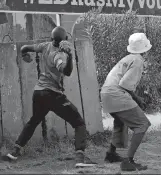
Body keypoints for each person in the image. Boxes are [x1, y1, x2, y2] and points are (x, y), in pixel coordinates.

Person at [5, 26, 97, 168]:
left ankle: (15, 151)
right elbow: (66, 71)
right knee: (79, 123)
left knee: (34, 121)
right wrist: (70, 56)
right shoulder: (59, 55)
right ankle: (80, 159)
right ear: (65, 40)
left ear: (51, 38)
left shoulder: (44, 46)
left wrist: (25, 56)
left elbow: (24, 47)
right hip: (52, 94)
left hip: (39, 93)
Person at [100, 32, 152, 171]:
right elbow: (125, 84)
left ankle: (111, 154)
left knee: (121, 121)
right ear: (145, 49)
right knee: (142, 124)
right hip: (117, 94)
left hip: (106, 93)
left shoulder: (127, 58)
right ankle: (128, 161)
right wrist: (137, 99)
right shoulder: (138, 60)